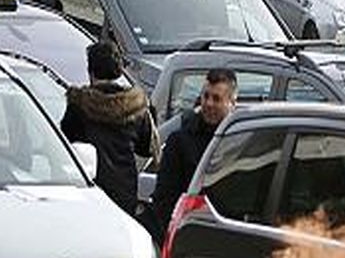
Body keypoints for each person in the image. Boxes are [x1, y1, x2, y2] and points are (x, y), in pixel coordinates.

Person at [60, 42, 158, 216]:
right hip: (125, 192)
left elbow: (64, 144)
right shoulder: (135, 106)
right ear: (118, 69)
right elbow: (147, 148)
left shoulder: (79, 105)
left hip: (90, 189)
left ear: (90, 71)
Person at [152, 69, 237, 229]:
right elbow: (164, 197)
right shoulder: (180, 141)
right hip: (190, 232)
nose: (209, 103)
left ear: (232, 103)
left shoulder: (241, 139)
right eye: (206, 96)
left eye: (216, 99)